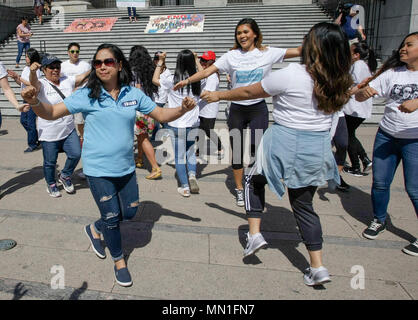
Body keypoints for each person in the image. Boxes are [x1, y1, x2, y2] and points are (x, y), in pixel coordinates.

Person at [21, 43, 197, 286]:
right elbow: (51, 113)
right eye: (97, 63)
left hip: (125, 169)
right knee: (113, 218)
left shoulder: (132, 94)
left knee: (131, 211)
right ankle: (119, 261)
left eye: (108, 62)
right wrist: (35, 103)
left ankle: (95, 228)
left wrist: (182, 109)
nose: (102, 66)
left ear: (119, 65)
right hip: (97, 171)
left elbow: (162, 115)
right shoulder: (86, 94)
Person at [201, 22, 353, 285]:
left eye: (308, 39)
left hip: (284, 139)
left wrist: (219, 95)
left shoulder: (293, 73)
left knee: (252, 181)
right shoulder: (340, 79)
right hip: (316, 146)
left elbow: (250, 91)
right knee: (304, 206)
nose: (304, 43)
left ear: (315, 46)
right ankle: (317, 267)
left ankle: (255, 233)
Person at [174, 18, 302, 207]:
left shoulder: (268, 53)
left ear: (255, 34)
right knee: (237, 153)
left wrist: (321, 41)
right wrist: (186, 81)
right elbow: (207, 72)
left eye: (245, 32)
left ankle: (253, 184)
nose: (242, 36)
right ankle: (240, 189)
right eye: (238, 33)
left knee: (256, 151)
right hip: (237, 110)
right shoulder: (231, 56)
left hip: (258, 108)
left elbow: (299, 51)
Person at [355, 32, 418, 257]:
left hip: (414, 139)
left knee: (414, 189)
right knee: (380, 182)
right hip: (387, 136)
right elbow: (362, 95)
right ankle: (378, 220)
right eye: (403, 45)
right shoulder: (392, 73)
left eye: (409, 45)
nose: (403, 48)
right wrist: (364, 93)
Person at [28, 54, 90, 198]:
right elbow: (33, 83)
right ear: (44, 69)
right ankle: (51, 183)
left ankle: (65, 175)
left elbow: (81, 78)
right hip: (49, 132)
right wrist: (32, 72)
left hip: (68, 128)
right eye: (51, 67)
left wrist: (94, 67)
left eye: (58, 66)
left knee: (76, 153)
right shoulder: (41, 84)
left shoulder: (66, 80)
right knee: (50, 162)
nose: (55, 70)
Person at [153, 50, 201, 197]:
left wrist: (160, 61)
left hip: (176, 123)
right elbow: (205, 72)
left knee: (180, 156)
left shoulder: (171, 79)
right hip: (193, 123)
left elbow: (155, 79)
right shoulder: (198, 80)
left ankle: (185, 187)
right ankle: (192, 174)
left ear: (178, 62)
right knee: (190, 151)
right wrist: (197, 59)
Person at [343, 41, 377, 176]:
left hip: (355, 107)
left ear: (356, 55)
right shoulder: (361, 65)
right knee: (350, 135)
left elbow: (355, 84)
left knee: (348, 136)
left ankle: (357, 165)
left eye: (350, 52)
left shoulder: (358, 65)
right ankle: (363, 160)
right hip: (358, 107)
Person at [129, 45, 162, 180]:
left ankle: (155, 167)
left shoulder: (132, 72)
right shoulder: (151, 70)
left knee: (143, 139)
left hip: (137, 110)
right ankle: (140, 158)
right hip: (149, 109)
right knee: (142, 137)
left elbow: (133, 90)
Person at [8, 48, 42, 153]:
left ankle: (32, 144)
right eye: (25, 56)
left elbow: (33, 84)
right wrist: (15, 78)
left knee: (30, 122)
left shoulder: (37, 70)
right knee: (23, 121)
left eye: (27, 56)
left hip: (32, 99)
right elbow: (22, 84)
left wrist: (19, 77)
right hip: (25, 99)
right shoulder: (25, 68)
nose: (26, 58)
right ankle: (37, 138)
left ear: (32, 58)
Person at [195, 50, 224, 160]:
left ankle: (220, 147)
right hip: (202, 106)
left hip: (209, 108)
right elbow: (201, 71)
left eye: (205, 61)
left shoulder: (213, 76)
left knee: (208, 130)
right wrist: (196, 60)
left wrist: (193, 96)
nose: (202, 62)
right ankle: (199, 149)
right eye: (202, 60)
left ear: (212, 62)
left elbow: (207, 93)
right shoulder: (207, 72)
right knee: (199, 129)